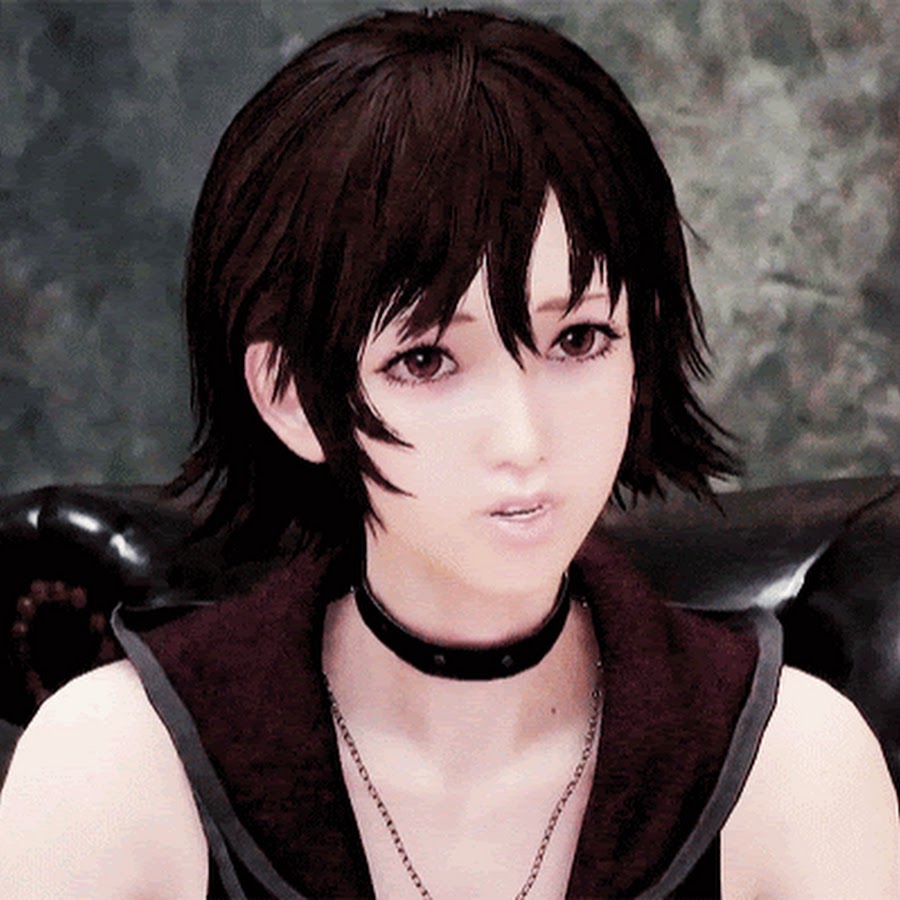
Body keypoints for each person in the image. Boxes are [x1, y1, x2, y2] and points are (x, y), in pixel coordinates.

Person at [0, 8, 897, 898]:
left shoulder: (794, 768)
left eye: (579, 339)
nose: (524, 439)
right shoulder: (115, 771)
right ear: (292, 395)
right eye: (426, 361)